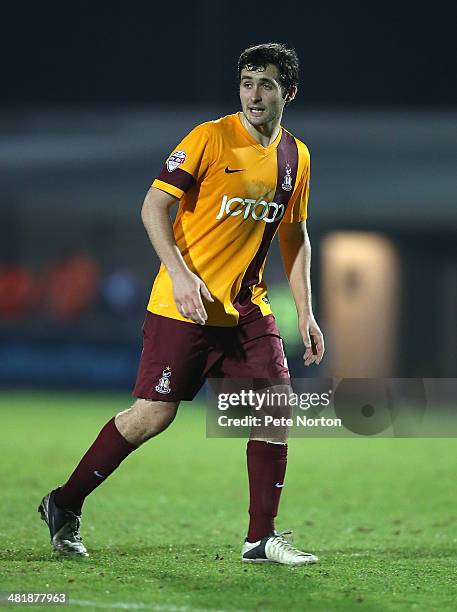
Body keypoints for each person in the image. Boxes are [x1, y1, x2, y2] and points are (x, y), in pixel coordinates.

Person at [38, 42, 325, 566]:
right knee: (151, 417)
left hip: (245, 311)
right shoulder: (209, 138)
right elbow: (154, 205)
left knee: (273, 408)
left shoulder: (296, 156)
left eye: (266, 84)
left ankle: (260, 539)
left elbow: (296, 237)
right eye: (246, 82)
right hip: (182, 308)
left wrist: (305, 311)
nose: (253, 94)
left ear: (290, 93)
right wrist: (180, 273)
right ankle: (63, 502)